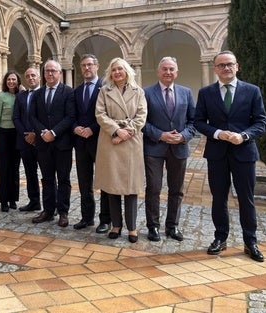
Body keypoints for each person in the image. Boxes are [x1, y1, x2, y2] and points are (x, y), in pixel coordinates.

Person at [194, 50, 266, 262]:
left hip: (243, 152)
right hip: (217, 153)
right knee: (218, 198)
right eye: (221, 65)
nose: (226, 68)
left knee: (247, 198)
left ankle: (250, 241)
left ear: (237, 66)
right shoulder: (206, 93)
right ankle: (220, 238)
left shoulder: (252, 91)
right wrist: (217, 133)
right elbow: (198, 121)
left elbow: (261, 122)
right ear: (215, 69)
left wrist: (243, 135)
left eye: (230, 64)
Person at [143, 56, 196, 242]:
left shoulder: (186, 93)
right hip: (154, 148)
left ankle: (172, 226)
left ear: (177, 72)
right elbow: (142, 122)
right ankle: (153, 227)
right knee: (153, 188)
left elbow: (193, 121)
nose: (168, 72)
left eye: (171, 69)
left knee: (176, 190)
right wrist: (160, 135)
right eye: (164, 69)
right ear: (158, 72)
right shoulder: (147, 93)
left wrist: (183, 136)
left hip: (179, 148)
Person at [95, 57, 147, 243]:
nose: (117, 72)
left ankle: (132, 227)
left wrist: (126, 132)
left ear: (127, 71)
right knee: (112, 186)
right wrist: (116, 130)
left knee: (131, 187)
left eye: (120, 69)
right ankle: (116, 225)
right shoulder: (104, 91)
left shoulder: (138, 91)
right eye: (114, 69)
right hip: (110, 141)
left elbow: (142, 115)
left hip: (131, 141)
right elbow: (100, 114)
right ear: (110, 73)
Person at [30, 60, 76, 227]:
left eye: (53, 71)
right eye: (47, 71)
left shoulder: (68, 92)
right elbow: (33, 117)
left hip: (62, 143)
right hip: (43, 144)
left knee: (63, 179)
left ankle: (63, 212)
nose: (50, 74)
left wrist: (54, 132)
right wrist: (43, 132)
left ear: (60, 73)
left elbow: (70, 117)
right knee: (47, 178)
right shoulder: (37, 94)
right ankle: (48, 211)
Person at [72, 54, 110, 232]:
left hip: (100, 141)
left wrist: (92, 129)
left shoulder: (106, 88)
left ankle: (105, 220)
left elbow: (108, 115)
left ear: (97, 66)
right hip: (81, 143)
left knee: (103, 181)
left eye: (89, 65)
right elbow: (72, 115)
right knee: (84, 182)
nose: (86, 68)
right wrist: (76, 128)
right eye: (83, 66)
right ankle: (87, 218)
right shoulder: (77, 91)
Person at [0, 71, 21, 212]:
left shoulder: (21, 96)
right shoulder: (1, 96)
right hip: (4, 134)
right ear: (5, 81)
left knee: (15, 168)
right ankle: (3, 200)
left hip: (17, 134)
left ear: (18, 81)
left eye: (14, 79)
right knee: (4, 168)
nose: (11, 82)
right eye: (9, 79)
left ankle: (13, 198)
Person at [12, 67, 41, 212]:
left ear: (39, 78)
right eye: (28, 76)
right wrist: (26, 134)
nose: (31, 78)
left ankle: (51, 205)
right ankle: (34, 201)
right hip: (24, 141)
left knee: (48, 174)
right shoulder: (21, 96)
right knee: (30, 173)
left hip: (42, 141)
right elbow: (15, 117)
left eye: (33, 75)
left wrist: (35, 134)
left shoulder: (44, 94)